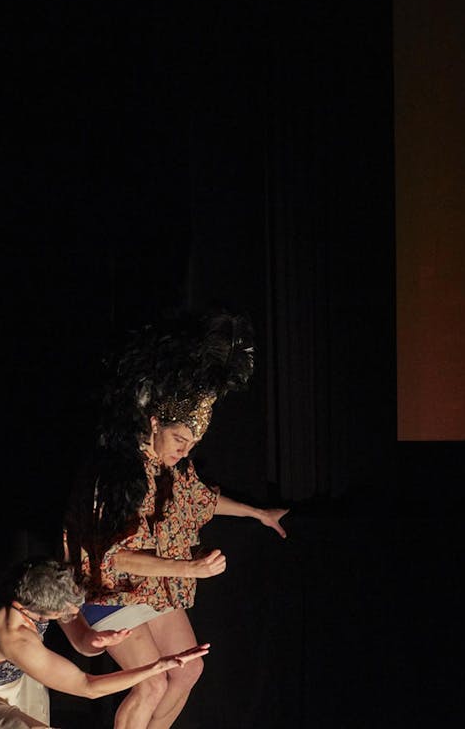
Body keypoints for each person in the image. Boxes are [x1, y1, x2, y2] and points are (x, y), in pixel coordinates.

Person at [64, 310, 289, 729]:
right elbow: (112, 557)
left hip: (153, 588)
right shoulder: (116, 473)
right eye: (180, 440)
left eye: (194, 443)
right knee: (149, 684)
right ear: (154, 424)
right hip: (107, 589)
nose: (185, 451)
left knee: (186, 670)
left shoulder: (171, 469)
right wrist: (189, 568)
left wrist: (258, 513)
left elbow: (201, 500)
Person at [0, 557, 209, 729]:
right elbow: (87, 686)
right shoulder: (13, 636)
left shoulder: (36, 580)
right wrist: (156, 666)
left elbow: (81, 642)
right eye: (64, 613)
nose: (72, 614)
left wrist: (94, 639)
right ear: (36, 610)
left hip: (19, 682)